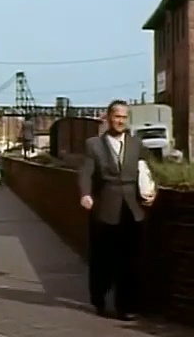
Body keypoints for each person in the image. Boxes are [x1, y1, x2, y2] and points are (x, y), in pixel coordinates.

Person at [79, 99, 155, 321]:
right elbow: (85, 172)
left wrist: (153, 191)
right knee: (103, 259)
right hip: (105, 209)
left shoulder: (136, 144)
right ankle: (99, 299)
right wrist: (85, 193)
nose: (120, 121)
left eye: (124, 117)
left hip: (132, 209)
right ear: (108, 117)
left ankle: (126, 306)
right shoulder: (93, 145)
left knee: (130, 260)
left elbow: (148, 170)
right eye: (116, 116)